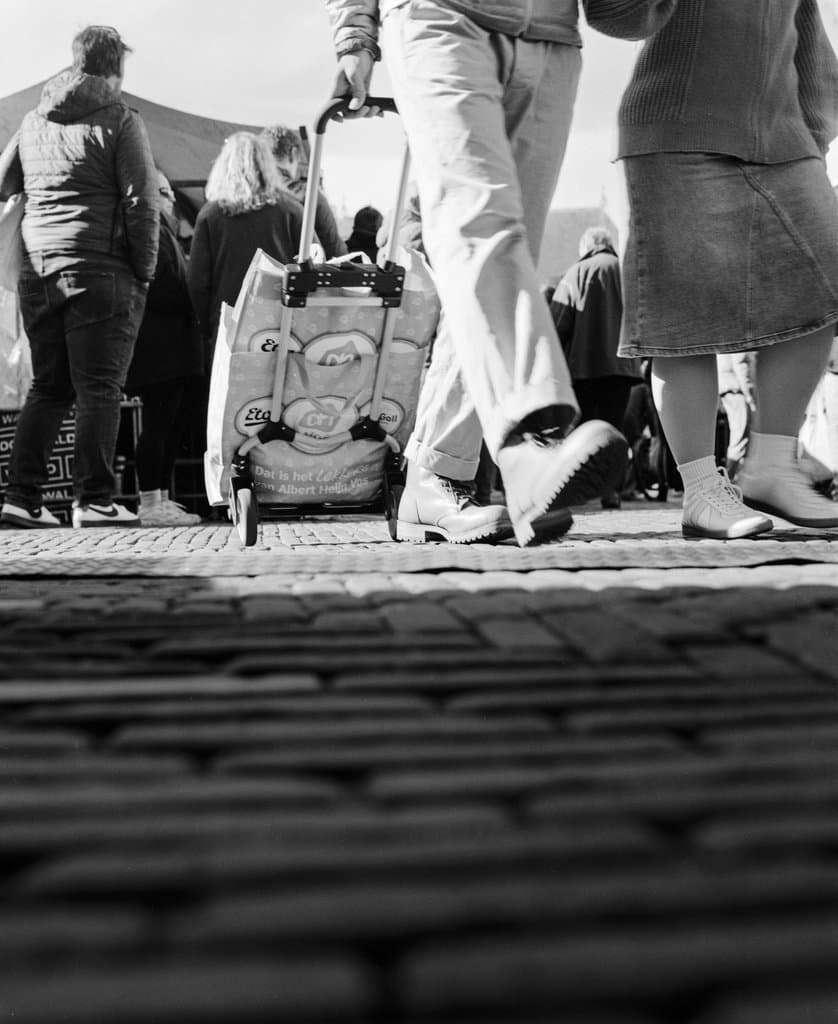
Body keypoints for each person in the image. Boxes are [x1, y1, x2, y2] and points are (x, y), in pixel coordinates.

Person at [324, 0, 641, 548]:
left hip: (553, 34)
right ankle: (525, 446)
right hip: (440, 17)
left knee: (505, 259)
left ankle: (432, 476)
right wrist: (356, 34)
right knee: (480, 228)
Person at [616, 0, 838, 539]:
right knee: (682, 322)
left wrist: (817, 130)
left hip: (784, 138)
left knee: (827, 280)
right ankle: (701, 491)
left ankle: (771, 464)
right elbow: (618, 15)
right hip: (675, 128)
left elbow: (809, 43)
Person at [0, 25, 158, 529]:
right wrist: (145, 268)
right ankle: (94, 499)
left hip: (38, 270)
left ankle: (21, 497)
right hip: (101, 271)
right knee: (100, 389)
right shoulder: (120, 119)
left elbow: (4, 181)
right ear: (116, 68)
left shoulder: (33, 119)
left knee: (48, 387)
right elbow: (141, 202)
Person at [125, 171, 204, 526]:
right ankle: (151, 501)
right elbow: (162, 285)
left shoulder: (162, 230)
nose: (173, 200)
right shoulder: (154, 229)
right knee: (159, 426)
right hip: (162, 346)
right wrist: (195, 301)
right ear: (158, 196)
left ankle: (161, 498)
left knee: (167, 426)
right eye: (168, 194)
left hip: (169, 345)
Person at [187, 132, 304, 353]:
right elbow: (314, 265)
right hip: (282, 328)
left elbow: (197, 283)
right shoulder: (292, 211)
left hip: (228, 326)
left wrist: (208, 326)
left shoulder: (210, 215)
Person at [551, 225, 641, 508]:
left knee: (585, 430)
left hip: (585, 366)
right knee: (614, 429)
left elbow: (559, 321)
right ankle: (610, 491)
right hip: (623, 368)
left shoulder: (577, 271)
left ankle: (579, 488)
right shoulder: (627, 270)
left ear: (586, 246)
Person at [260, 124, 348, 259]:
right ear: (294, 153)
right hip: (294, 277)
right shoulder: (310, 197)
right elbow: (336, 253)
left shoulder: (241, 198)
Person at [716, 352, 756, 483]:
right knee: (741, 438)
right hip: (737, 388)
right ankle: (729, 482)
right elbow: (741, 361)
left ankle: (733, 480)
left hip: (728, 386)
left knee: (738, 436)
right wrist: (749, 393)